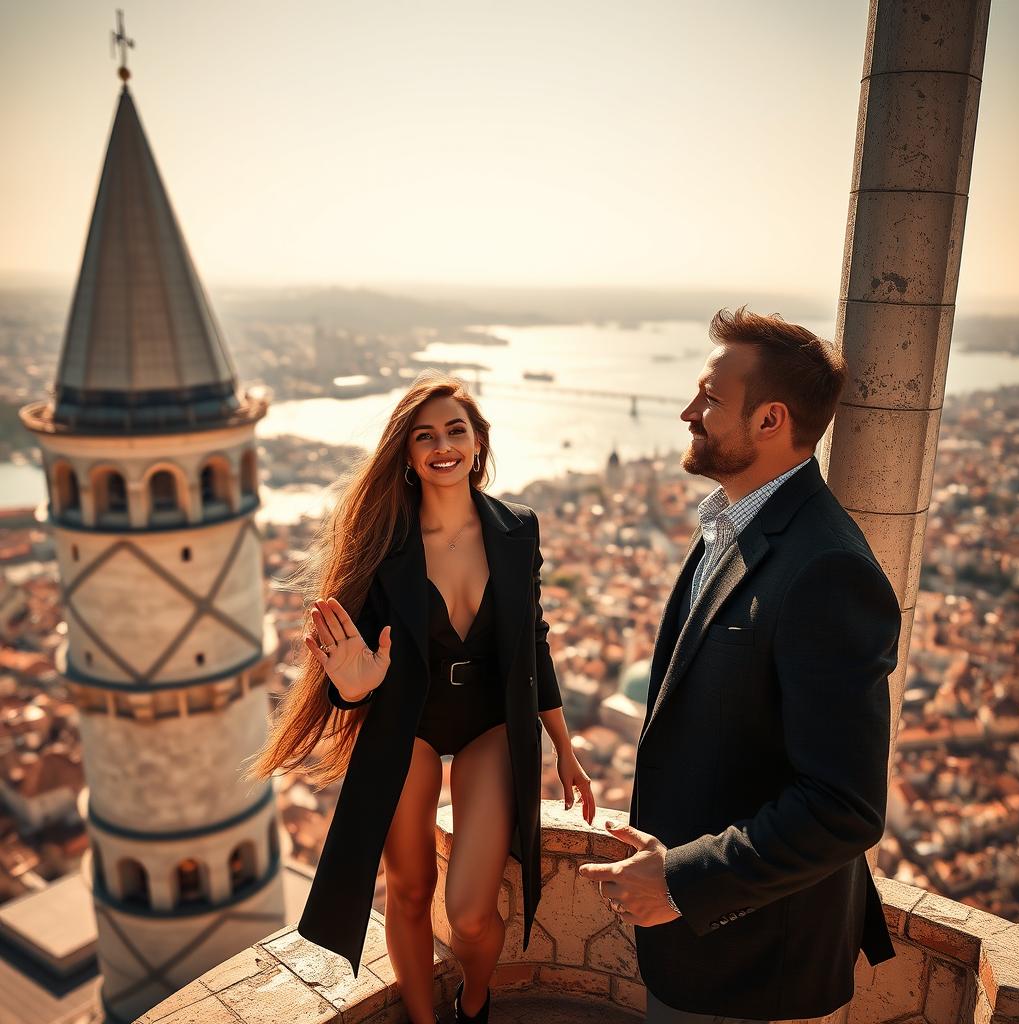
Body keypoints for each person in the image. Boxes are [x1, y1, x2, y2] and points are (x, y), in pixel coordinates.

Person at [578, 307, 901, 1022]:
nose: (688, 411)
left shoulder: (827, 570)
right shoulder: (733, 522)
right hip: (706, 947)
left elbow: (844, 807)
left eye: (709, 399)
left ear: (769, 420)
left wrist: (680, 883)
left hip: (756, 960)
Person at [244, 370, 594, 1024]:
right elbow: (351, 667)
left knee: (468, 914)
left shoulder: (519, 531)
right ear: (406, 453)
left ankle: (476, 1002)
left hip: (491, 724)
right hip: (408, 724)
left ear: (478, 441)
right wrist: (352, 694)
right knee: (408, 892)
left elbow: (533, 644)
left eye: (455, 430)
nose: (442, 445)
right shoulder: (382, 545)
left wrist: (565, 750)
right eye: (423, 434)